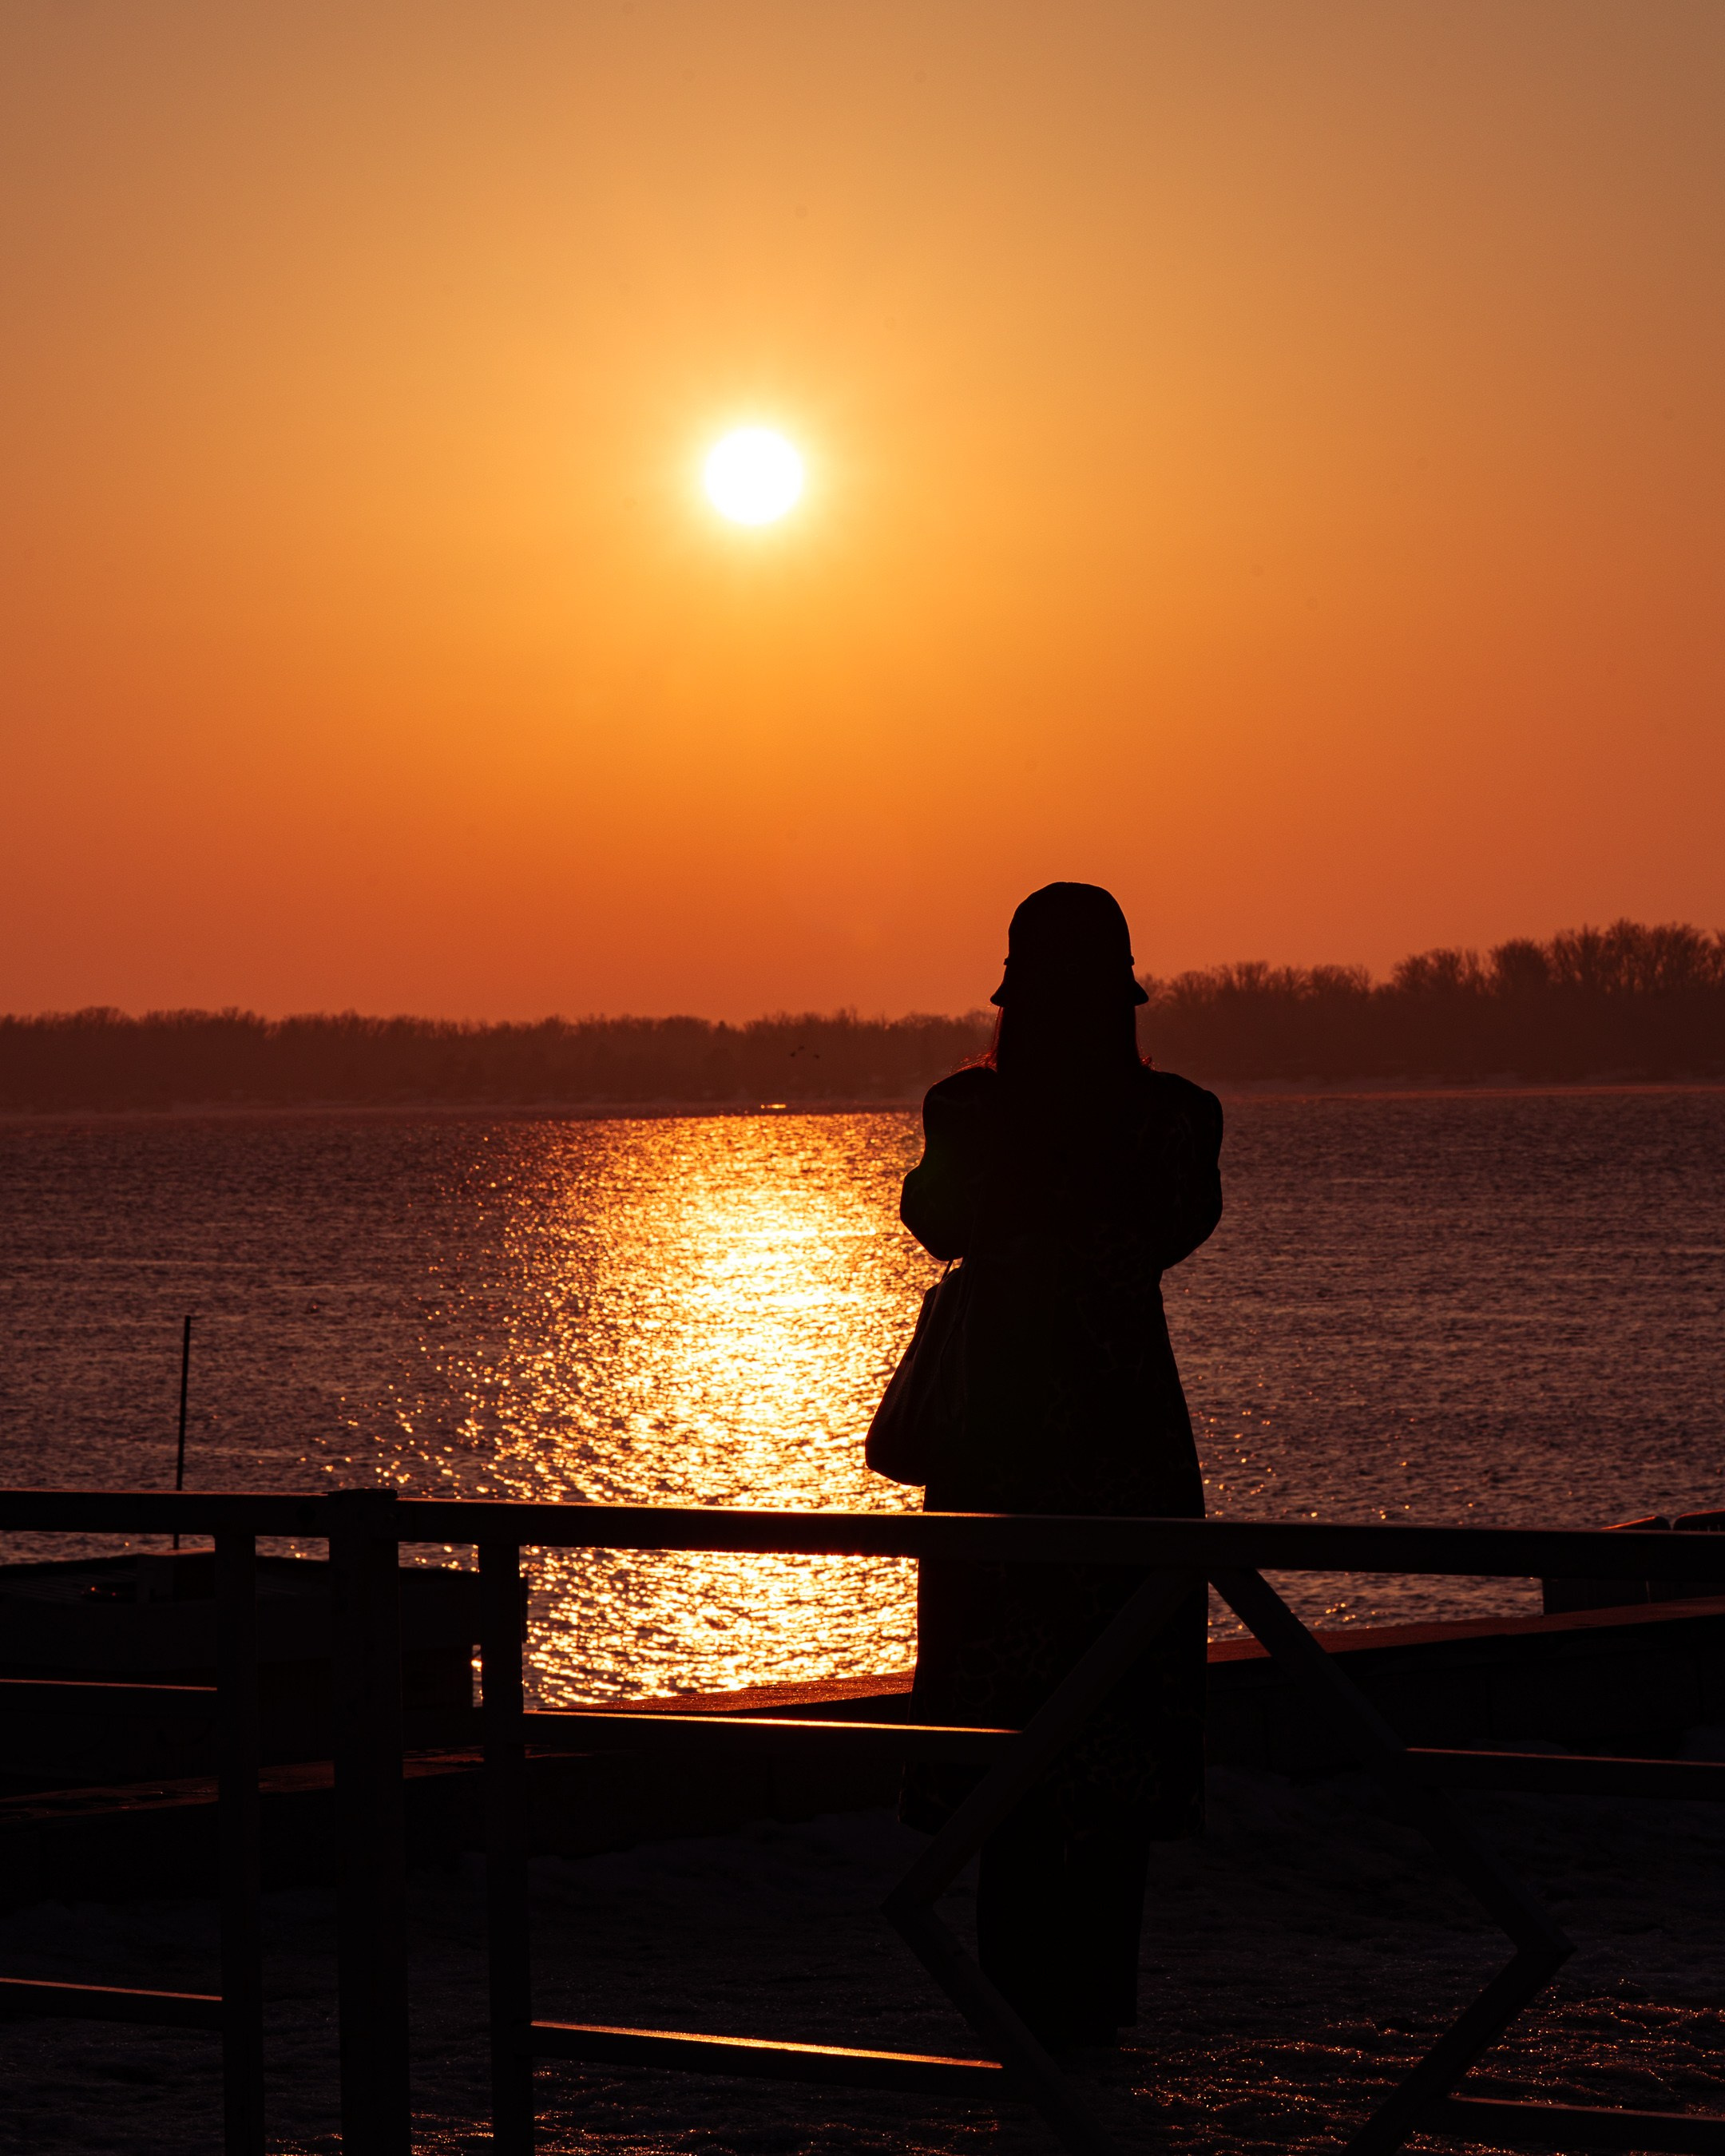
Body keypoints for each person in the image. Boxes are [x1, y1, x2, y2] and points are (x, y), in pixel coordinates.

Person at [897, 881, 1223, 2049]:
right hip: (1126, 1444)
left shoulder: (970, 1112)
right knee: (1111, 1742)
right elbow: (1170, 1227)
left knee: (1009, 1751)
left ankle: (1021, 2025)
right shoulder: (1175, 1120)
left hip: (1000, 1451)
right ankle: (1089, 2024)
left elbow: (937, 1221)